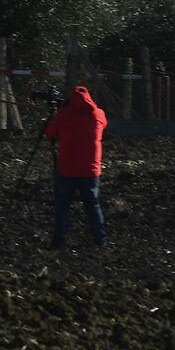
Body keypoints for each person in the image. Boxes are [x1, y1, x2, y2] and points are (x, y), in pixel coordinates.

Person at [42, 84, 108, 249]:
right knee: (92, 205)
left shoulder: (64, 115)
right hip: (91, 170)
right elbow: (103, 125)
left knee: (63, 205)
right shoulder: (98, 114)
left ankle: (59, 242)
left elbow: (49, 133)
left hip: (67, 170)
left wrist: (56, 115)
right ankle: (101, 242)